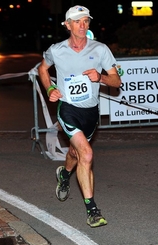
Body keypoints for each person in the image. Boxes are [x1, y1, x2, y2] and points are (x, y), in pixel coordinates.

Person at [38, 5, 121, 228]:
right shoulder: (56, 50)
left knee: (76, 153)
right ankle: (92, 210)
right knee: (86, 154)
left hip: (91, 112)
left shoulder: (101, 49)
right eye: (77, 21)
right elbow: (42, 69)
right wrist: (49, 90)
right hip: (68, 110)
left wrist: (101, 77)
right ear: (67, 25)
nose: (83, 25)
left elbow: (117, 81)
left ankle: (64, 175)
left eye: (86, 21)